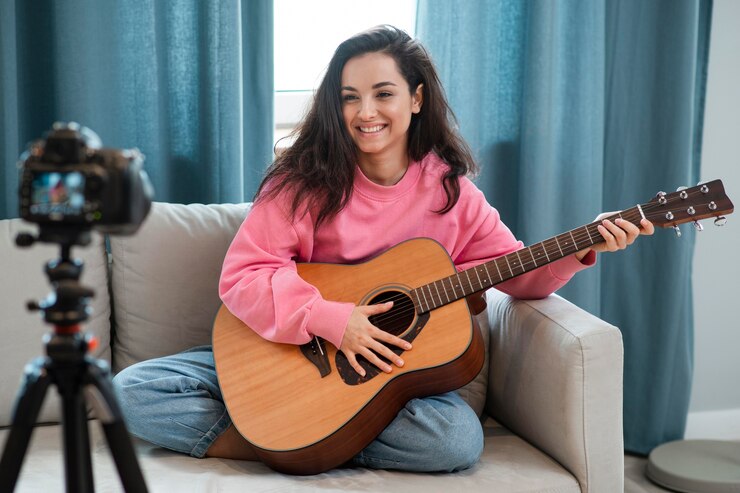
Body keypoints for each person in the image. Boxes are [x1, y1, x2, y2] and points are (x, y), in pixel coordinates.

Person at [113, 25, 654, 473]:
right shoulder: (302, 184)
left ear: (417, 99)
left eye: (383, 93)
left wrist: (587, 244)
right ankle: (291, 442)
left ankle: (308, 440)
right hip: (285, 354)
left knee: (453, 442)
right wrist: (331, 318)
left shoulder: (452, 194)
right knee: (130, 392)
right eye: (350, 97)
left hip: (384, 391)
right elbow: (245, 274)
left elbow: (515, 274)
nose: (365, 112)